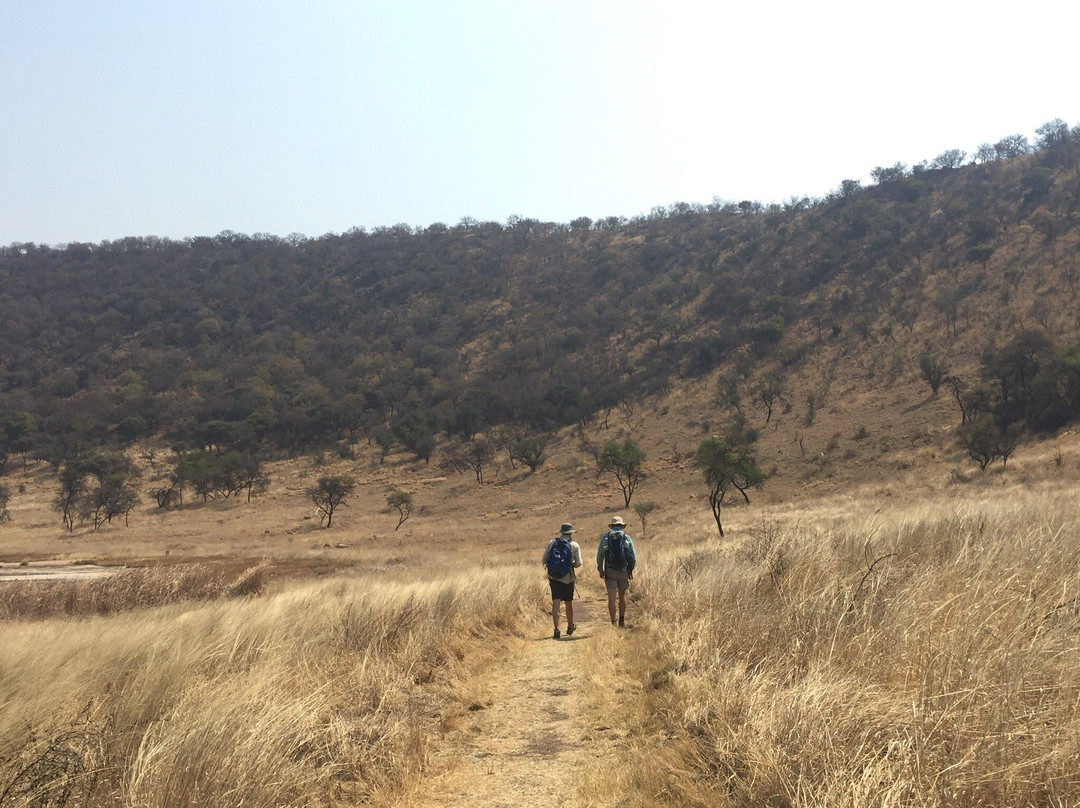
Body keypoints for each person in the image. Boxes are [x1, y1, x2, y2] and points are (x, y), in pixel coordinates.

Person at [542, 522, 583, 639]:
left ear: (561, 532)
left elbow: (544, 559)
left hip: (554, 577)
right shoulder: (574, 545)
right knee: (568, 603)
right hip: (568, 578)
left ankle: (556, 630)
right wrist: (569, 566)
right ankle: (570, 626)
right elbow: (579, 563)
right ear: (570, 533)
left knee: (556, 603)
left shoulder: (552, 542)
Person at [597, 515, 636, 627]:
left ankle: (613, 622)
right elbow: (633, 556)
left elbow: (600, 555)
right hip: (624, 570)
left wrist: (600, 569)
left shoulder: (605, 537)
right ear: (622, 526)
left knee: (612, 598)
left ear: (612, 526)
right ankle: (622, 620)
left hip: (610, 570)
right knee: (622, 595)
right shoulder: (626, 537)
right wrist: (630, 569)